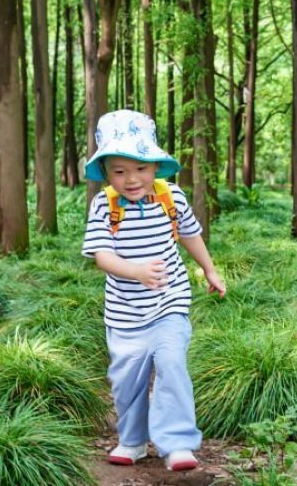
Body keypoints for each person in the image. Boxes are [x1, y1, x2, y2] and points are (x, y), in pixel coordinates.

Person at [81, 110, 226, 471]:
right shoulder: (104, 205)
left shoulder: (170, 196)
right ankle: (131, 441)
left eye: (141, 168)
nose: (132, 179)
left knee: (171, 363)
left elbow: (190, 234)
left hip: (169, 302)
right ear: (106, 171)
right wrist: (135, 271)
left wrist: (209, 268)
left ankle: (177, 443)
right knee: (126, 382)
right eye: (120, 170)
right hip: (125, 313)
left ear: (155, 167)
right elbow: (101, 256)